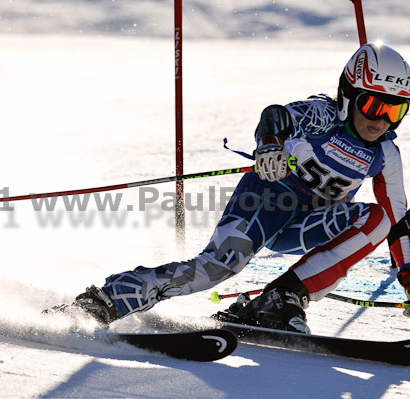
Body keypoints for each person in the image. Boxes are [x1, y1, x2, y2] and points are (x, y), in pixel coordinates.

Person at [71, 43, 410, 333]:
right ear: (349, 95)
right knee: (216, 268)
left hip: (307, 224)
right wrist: (269, 145)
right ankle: (110, 298)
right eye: (372, 105)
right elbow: (277, 116)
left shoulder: (385, 154)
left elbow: (399, 223)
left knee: (378, 219)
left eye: (395, 110)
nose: (381, 120)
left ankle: (282, 297)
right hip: (266, 201)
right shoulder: (324, 115)